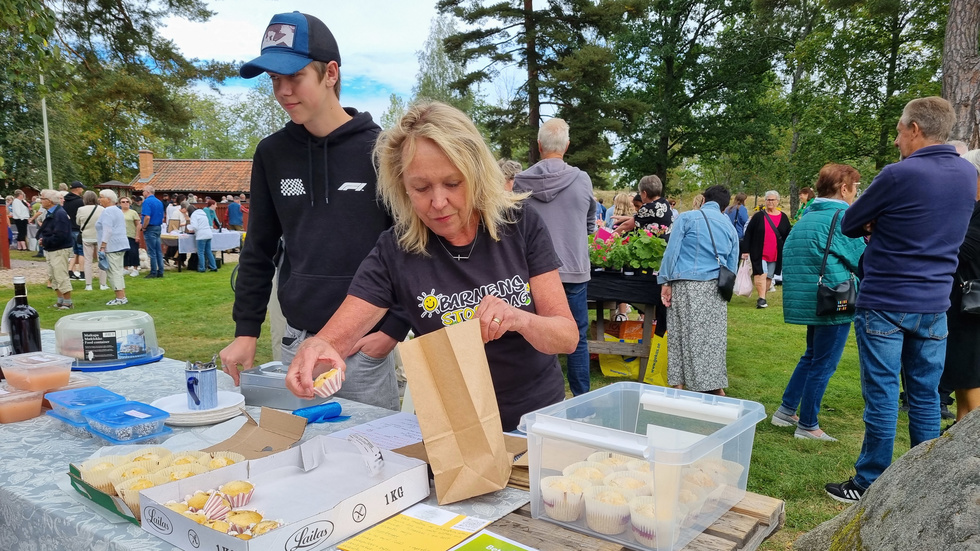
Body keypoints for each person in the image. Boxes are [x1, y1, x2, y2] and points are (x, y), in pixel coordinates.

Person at [286, 101, 577, 430]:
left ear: (477, 174)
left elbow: (566, 337)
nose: (438, 203)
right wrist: (317, 347)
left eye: (453, 184)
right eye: (421, 188)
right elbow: (337, 335)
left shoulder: (520, 224)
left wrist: (519, 319)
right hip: (459, 429)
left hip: (535, 419)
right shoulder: (395, 249)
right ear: (402, 187)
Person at [220, 11, 411, 411]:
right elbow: (258, 248)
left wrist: (392, 329)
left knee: (375, 457)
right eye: (275, 80)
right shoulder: (271, 153)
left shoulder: (384, 151)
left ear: (331, 73)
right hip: (298, 342)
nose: (284, 91)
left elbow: (412, 249)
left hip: (365, 347)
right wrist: (246, 331)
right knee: (298, 457)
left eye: (295, 77)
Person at [826, 97, 977, 504]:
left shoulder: (898, 175)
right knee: (926, 396)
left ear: (914, 129)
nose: (895, 140)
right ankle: (922, 483)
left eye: (898, 131)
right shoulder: (967, 174)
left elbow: (851, 222)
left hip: (887, 298)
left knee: (882, 393)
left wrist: (883, 220)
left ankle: (870, 480)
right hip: (935, 303)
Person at [773, 164, 865, 441]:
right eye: (856, 188)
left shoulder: (808, 215)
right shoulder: (842, 217)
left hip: (814, 297)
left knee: (812, 356)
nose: (856, 194)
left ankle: (787, 410)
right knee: (823, 363)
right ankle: (808, 424)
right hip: (834, 298)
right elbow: (862, 258)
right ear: (844, 188)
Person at [513, 117, 596, 397]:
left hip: (532, 272)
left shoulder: (520, 184)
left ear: (538, 146)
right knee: (577, 338)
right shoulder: (582, 180)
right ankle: (582, 400)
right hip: (573, 269)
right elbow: (590, 224)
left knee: (533, 335)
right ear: (567, 146)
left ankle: (539, 397)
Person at [658, 185, 739, 395]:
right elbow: (732, 263)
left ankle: (679, 385)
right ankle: (714, 385)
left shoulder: (686, 218)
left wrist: (665, 281)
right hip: (716, 286)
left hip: (685, 283)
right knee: (713, 338)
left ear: (703, 199)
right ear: (725, 205)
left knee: (680, 334)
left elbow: (671, 252)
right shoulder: (729, 226)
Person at [941, 148, 980, 422]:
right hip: (962, 304)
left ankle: (969, 442)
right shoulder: (970, 208)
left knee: (971, 373)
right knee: (962, 375)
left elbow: (961, 250)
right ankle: (959, 432)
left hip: (973, 306)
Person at [742, 190, 791, 309]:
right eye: (768, 200)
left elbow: (787, 235)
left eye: (772, 200)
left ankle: (763, 296)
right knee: (760, 273)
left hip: (775, 253)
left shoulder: (783, 217)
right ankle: (761, 299)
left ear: (777, 201)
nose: (770, 202)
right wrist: (745, 250)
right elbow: (748, 233)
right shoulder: (758, 216)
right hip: (759, 252)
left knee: (769, 276)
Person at [36, 190, 74, 309]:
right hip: (51, 248)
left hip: (59, 249)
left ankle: (68, 302)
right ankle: (60, 300)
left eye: (42, 199)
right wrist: (42, 239)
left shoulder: (60, 214)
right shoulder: (51, 213)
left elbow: (61, 235)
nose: (40, 201)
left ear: (49, 201)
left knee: (60, 275)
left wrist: (45, 240)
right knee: (53, 276)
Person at [95, 190, 130, 306]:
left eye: (101, 197)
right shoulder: (118, 210)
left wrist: (103, 246)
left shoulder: (108, 211)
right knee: (118, 271)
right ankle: (122, 296)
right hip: (120, 244)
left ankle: (120, 297)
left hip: (112, 246)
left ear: (108, 199)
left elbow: (107, 230)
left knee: (113, 272)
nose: (99, 199)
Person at [75, 191, 108, 291]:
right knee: (101, 259)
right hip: (99, 237)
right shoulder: (102, 209)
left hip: (86, 236)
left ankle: (88, 284)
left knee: (88, 261)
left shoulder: (81, 209)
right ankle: (103, 284)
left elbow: (78, 222)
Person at [141, 185, 165, 278]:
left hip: (150, 227)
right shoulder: (159, 202)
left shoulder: (147, 201)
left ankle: (153, 271)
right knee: (158, 250)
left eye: (143, 191)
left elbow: (147, 216)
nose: (142, 193)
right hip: (158, 227)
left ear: (147, 192)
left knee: (152, 251)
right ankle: (161, 271)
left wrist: (144, 226)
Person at [185, 204, 217, 272]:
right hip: (208, 233)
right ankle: (213, 266)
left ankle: (202, 268)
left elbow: (195, 226)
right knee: (208, 251)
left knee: (201, 252)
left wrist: (189, 227)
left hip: (201, 235)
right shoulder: (203, 214)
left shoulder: (194, 215)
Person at [64, 181, 86, 279]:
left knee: (73, 252)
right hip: (78, 228)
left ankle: (70, 270)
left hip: (69, 228)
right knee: (81, 251)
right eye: (81, 188)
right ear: (77, 189)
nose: (82, 189)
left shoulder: (66, 201)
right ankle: (82, 272)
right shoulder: (80, 202)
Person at [120, 195, 142, 276]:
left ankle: (135, 269)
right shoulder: (118, 212)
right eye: (123, 202)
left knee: (133, 252)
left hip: (131, 235)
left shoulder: (133, 212)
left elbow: (138, 224)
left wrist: (137, 235)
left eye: (127, 201)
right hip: (121, 235)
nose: (125, 203)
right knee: (124, 252)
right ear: (120, 204)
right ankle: (125, 268)